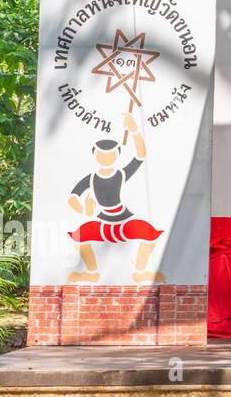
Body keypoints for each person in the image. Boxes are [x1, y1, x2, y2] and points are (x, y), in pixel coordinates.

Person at [66, 113, 164, 283]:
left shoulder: (121, 174)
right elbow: (73, 197)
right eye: (101, 155)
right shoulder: (91, 178)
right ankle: (92, 272)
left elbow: (140, 156)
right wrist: (84, 209)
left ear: (117, 155)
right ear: (95, 155)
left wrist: (134, 130)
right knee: (79, 237)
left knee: (150, 234)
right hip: (103, 220)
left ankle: (140, 271)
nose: (106, 159)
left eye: (110, 155)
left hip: (124, 218)